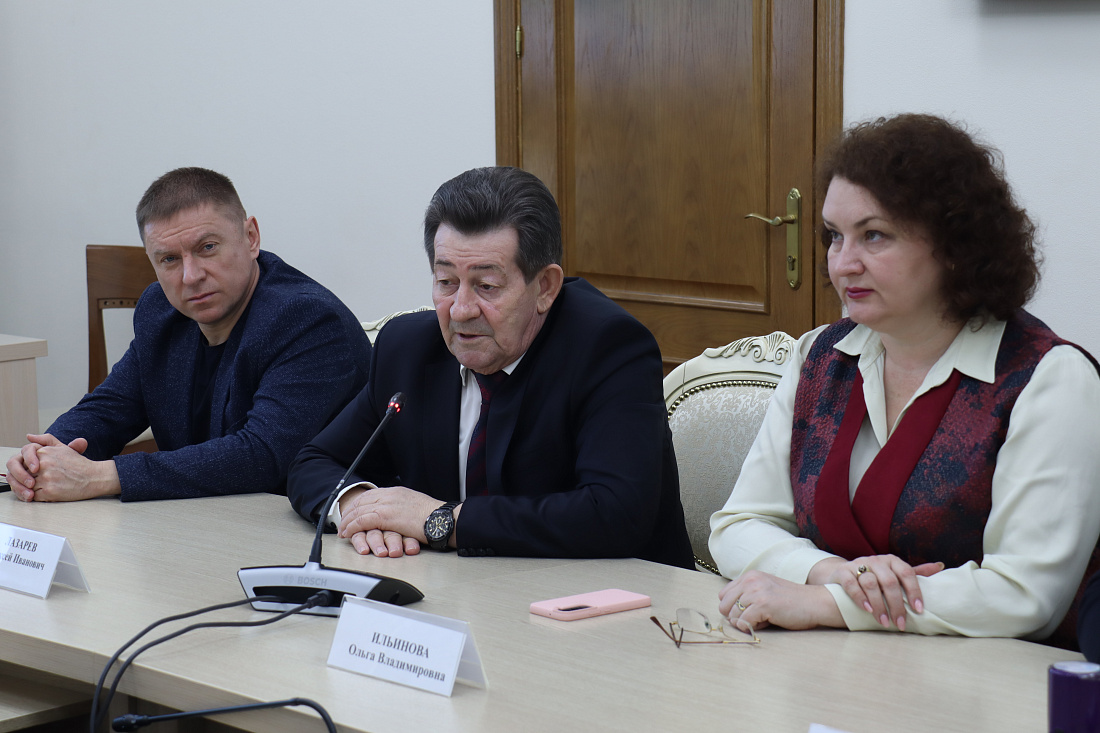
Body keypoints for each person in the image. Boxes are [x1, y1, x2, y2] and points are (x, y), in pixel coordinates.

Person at [709, 114, 1100, 645]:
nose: (843, 264)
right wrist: (827, 572)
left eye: (874, 235)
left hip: (986, 685)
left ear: (955, 246)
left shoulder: (1050, 379)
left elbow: (1024, 595)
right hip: (821, 667)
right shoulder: (819, 356)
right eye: (834, 237)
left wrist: (830, 603)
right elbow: (738, 525)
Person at [287, 166, 693, 567]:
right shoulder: (407, 349)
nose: (461, 310)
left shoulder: (609, 349)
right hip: (453, 590)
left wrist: (440, 521)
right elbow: (313, 463)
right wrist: (361, 508)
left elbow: (614, 513)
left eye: (486, 286)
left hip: (608, 598)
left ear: (545, 287)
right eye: (446, 282)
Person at [5, 167, 370, 502]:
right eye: (169, 259)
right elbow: (111, 407)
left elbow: (261, 455)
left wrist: (102, 476)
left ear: (250, 237)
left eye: (207, 248)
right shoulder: (161, 311)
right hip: (199, 521)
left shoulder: (307, 319)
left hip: (308, 530)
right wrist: (44, 455)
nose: (191, 276)